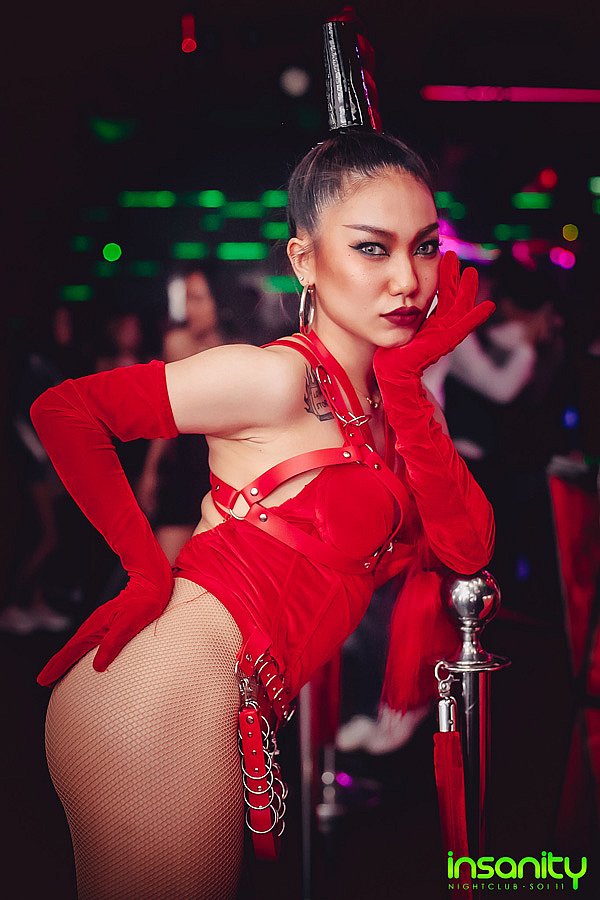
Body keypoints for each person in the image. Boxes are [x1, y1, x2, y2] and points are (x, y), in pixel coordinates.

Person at [30, 18, 495, 900]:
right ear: (304, 261)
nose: (407, 279)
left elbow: (467, 546)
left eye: (425, 247)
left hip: (217, 701)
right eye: (371, 247)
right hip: (163, 690)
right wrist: (145, 570)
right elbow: (66, 410)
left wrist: (406, 383)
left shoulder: (384, 398)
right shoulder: (273, 378)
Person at [136, 268, 227, 565]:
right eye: (187, 299)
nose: (189, 309)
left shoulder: (241, 349)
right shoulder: (177, 343)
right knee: (165, 563)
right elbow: (165, 411)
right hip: (183, 465)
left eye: (198, 299)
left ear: (219, 301)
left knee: (213, 568)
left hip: (224, 468)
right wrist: (150, 471)